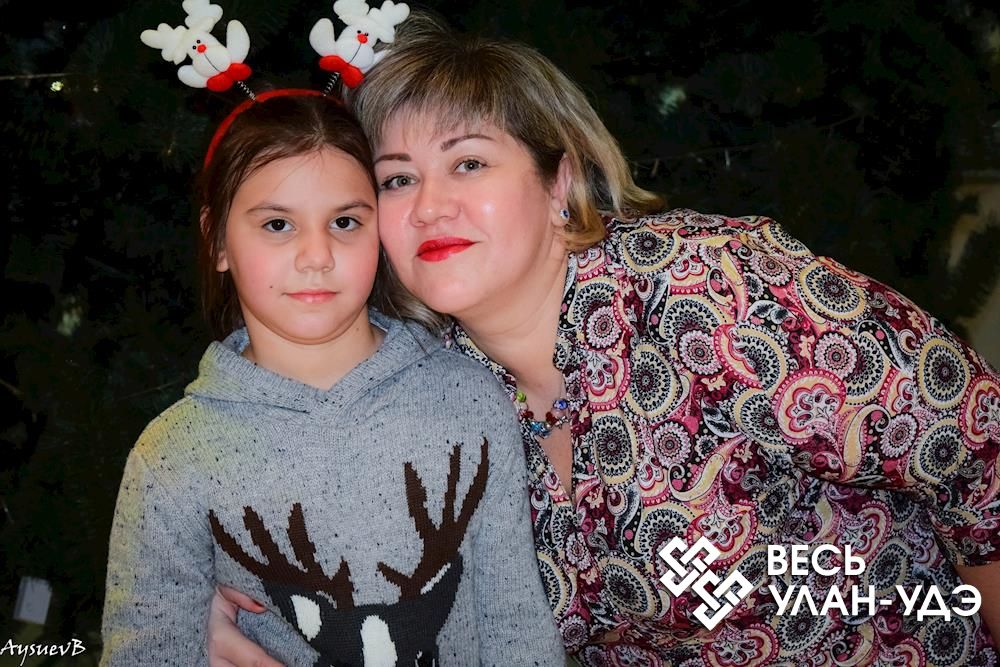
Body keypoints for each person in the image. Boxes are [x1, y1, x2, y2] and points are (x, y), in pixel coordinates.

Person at [208, 15, 1000, 667]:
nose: (430, 205)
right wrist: (210, 599)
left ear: (559, 182)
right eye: (397, 179)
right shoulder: (436, 391)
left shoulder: (708, 291)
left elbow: (982, 459)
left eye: (468, 163)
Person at [99, 89, 565, 666]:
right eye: (277, 224)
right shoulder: (172, 459)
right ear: (218, 239)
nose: (316, 255)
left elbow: (516, 625)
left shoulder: (467, 397)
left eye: (345, 221)